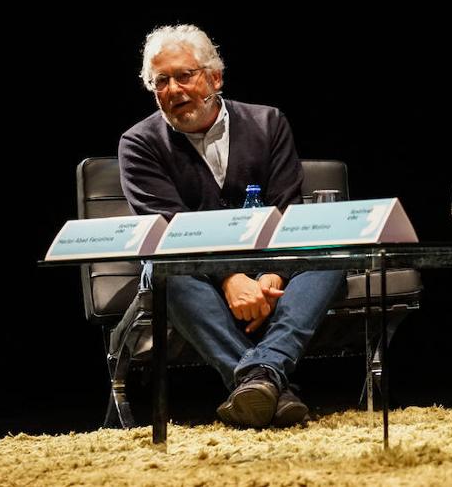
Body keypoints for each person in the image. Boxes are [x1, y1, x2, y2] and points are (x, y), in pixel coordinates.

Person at [118, 24, 346, 428]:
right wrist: (229, 278)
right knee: (162, 269)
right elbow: (171, 227)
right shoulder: (138, 143)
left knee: (331, 255)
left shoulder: (268, 122)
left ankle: (259, 377)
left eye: (184, 75)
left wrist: (270, 274)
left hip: (270, 266)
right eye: (161, 81)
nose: (173, 89)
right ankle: (268, 379)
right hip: (196, 273)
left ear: (215, 77)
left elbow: (285, 209)